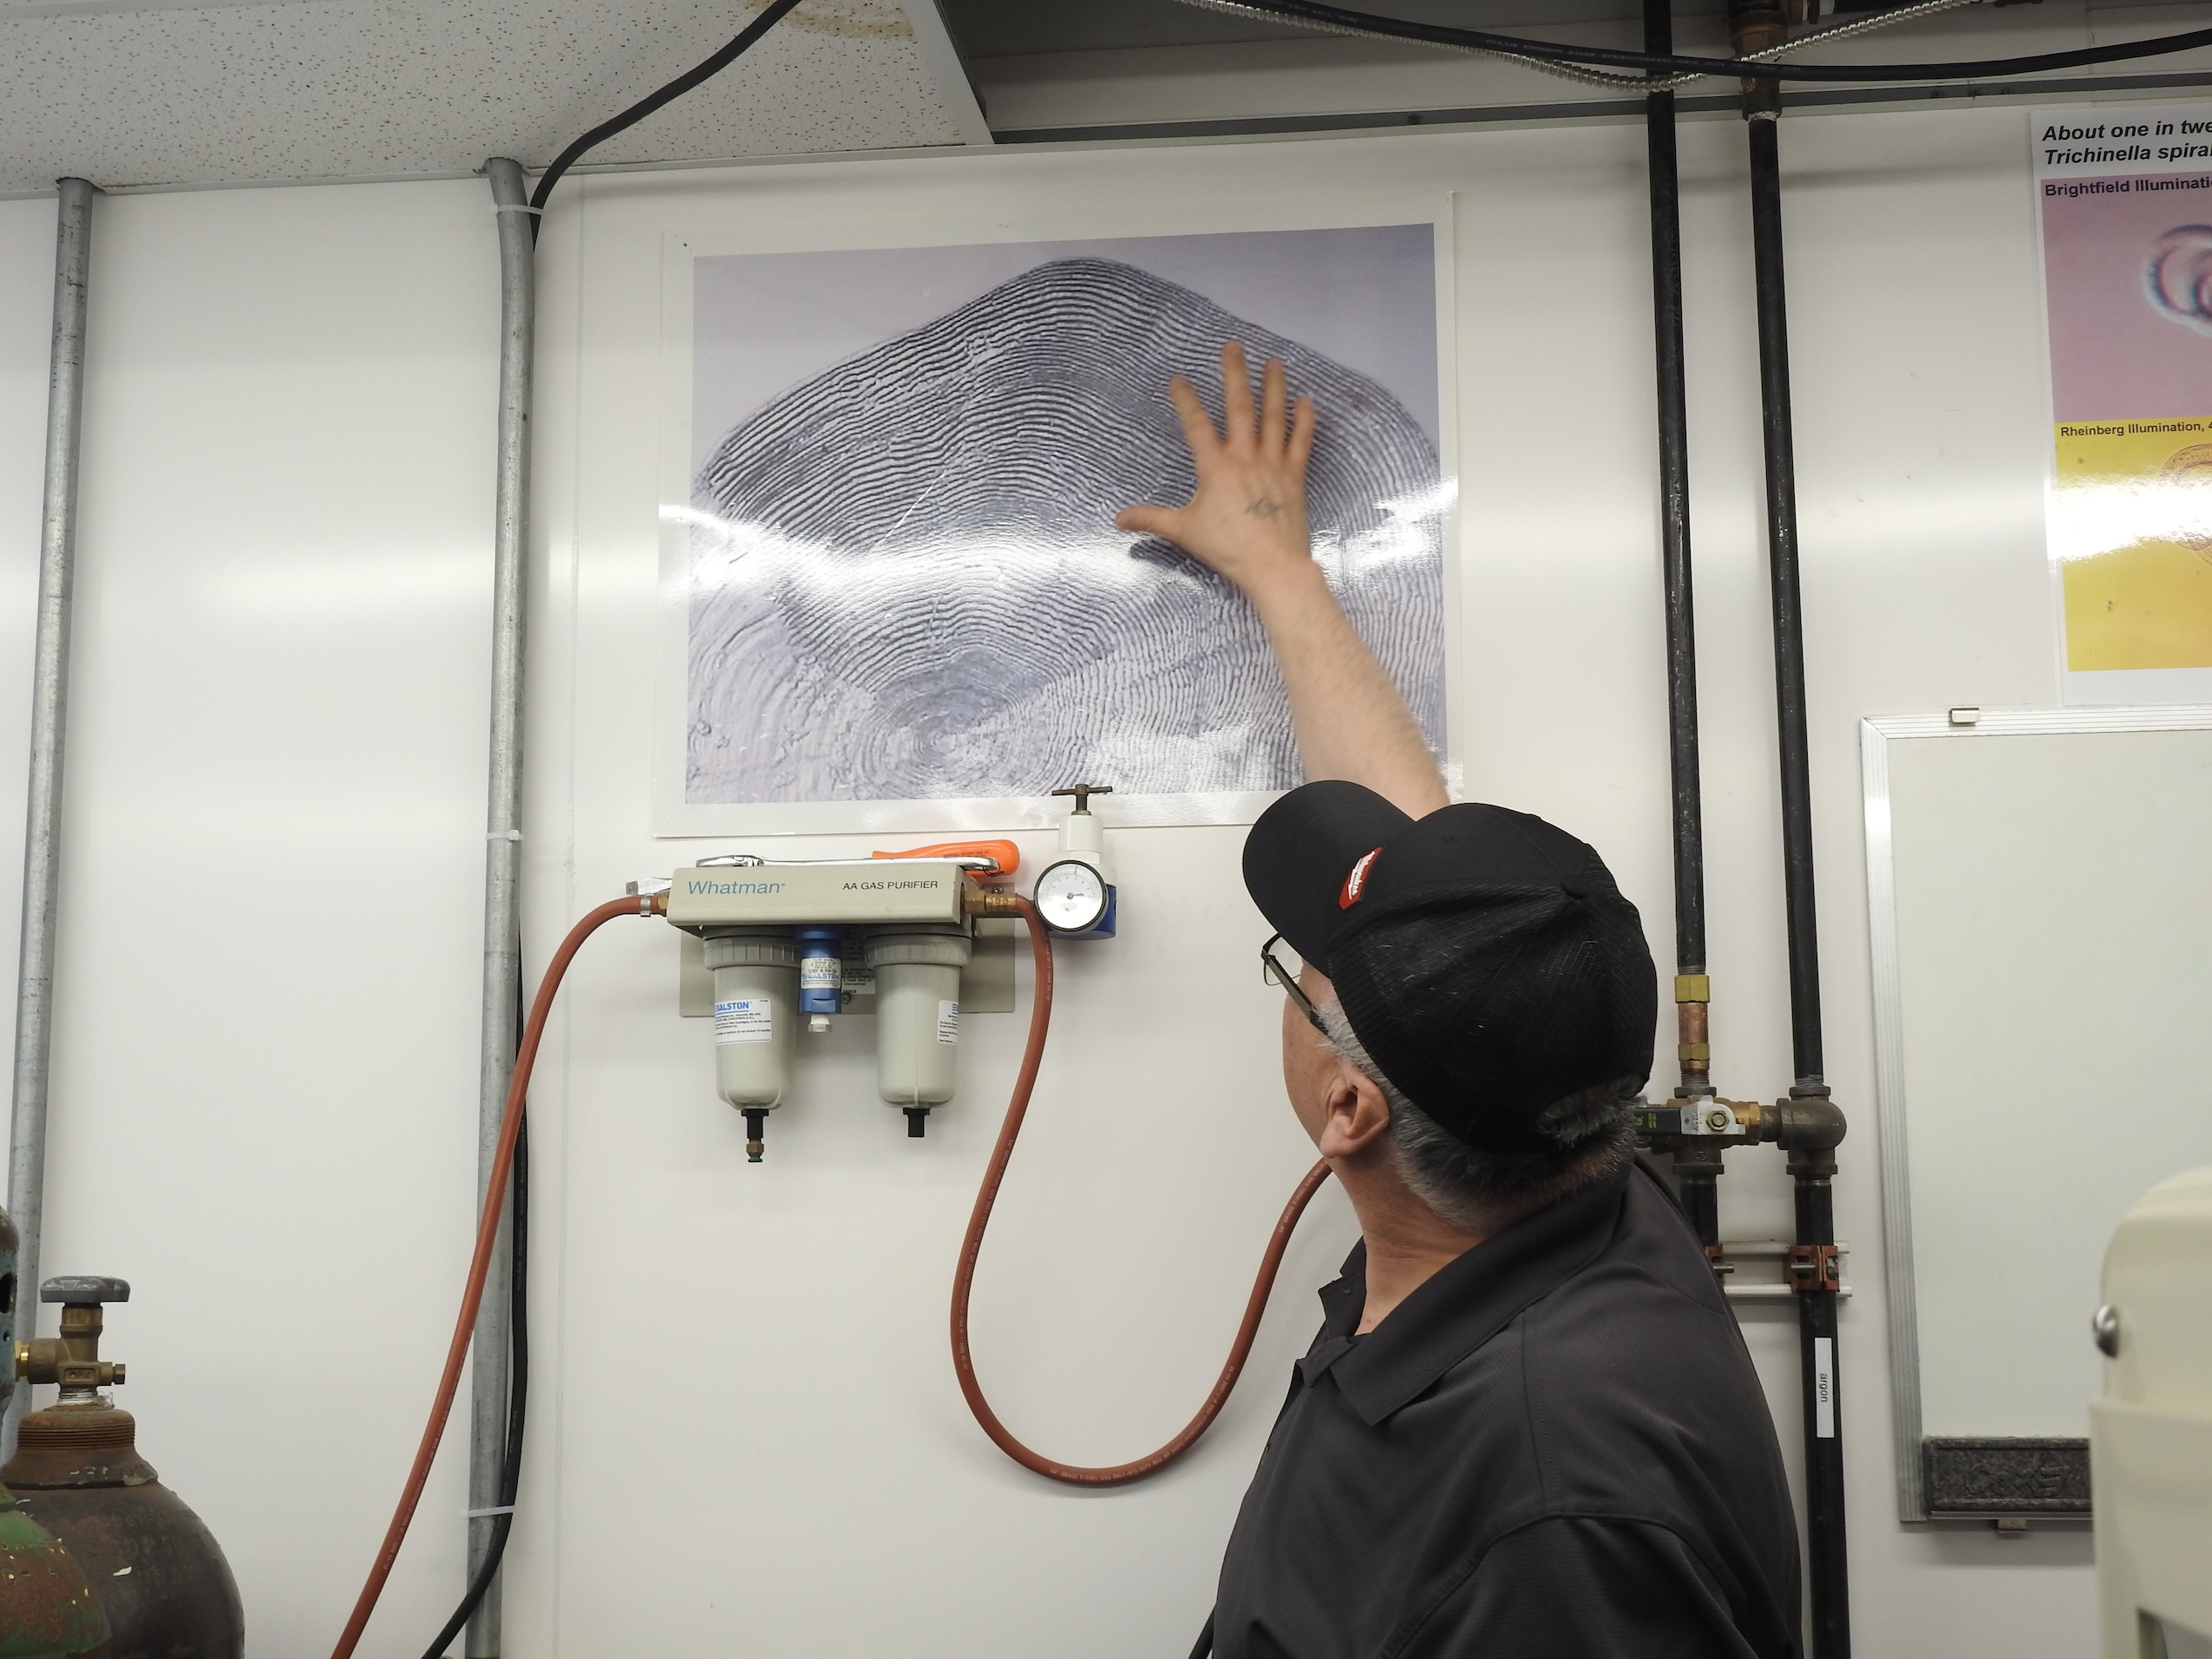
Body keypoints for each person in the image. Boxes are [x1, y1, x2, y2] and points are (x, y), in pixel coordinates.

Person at [1116, 344, 1802, 1659]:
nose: (1298, 967)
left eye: (1297, 968)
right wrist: (1275, 563)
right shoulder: (1575, 1181)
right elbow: (1426, 887)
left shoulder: (1555, 1501)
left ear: (1349, 1103)